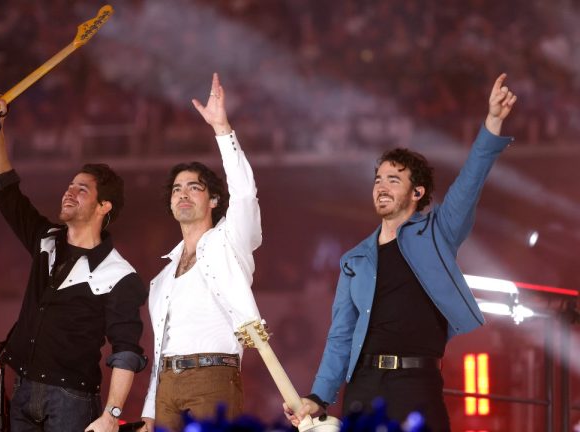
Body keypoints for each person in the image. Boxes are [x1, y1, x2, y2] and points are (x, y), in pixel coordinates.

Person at [284, 74, 517, 431]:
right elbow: (341, 335)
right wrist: (317, 397)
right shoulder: (354, 259)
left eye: (394, 180)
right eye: (378, 179)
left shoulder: (437, 232)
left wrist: (493, 122)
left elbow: (470, 181)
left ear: (417, 192)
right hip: (363, 386)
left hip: (416, 383)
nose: (381, 186)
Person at [0, 95, 148, 432]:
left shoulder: (119, 274)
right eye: (70, 185)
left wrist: (112, 415)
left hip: (72, 399)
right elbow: (5, 193)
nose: (69, 192)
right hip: (24, 387)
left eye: (82, 189)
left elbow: (127, 351)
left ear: (104, 206)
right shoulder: (46, 239)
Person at [141, 73, 262, 432]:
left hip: (214, 377)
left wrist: (222, 129)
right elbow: (160, 346)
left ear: (212, 199)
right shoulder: (161, 278)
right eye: (177, 189)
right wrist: (149, 409)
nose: (183, 194)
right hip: (166, 386)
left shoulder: (230, 241)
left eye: (194, 187)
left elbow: (244, 193)